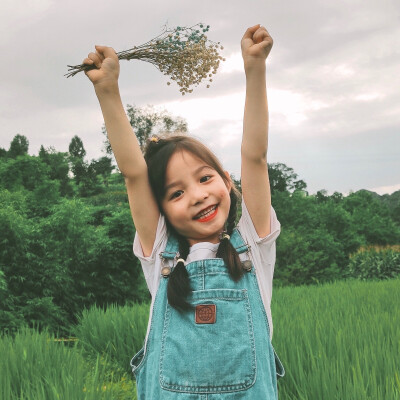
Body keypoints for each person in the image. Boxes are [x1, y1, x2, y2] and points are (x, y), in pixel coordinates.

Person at [83, 23, 285, 399]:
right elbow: (133, 173)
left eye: (205, 178)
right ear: (160, 210)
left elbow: (254, 156)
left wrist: (254, 68)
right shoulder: (160, 252)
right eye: (176, 193)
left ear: (227, 180)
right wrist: (107, 90)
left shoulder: (254, 245)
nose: (197, 195)